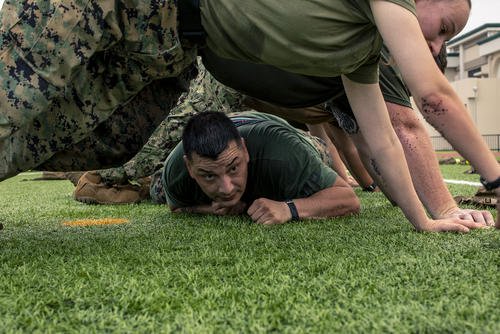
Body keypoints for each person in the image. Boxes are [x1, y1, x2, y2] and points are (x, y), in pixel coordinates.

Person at [0, 0, 498, 232]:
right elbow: (432, 99)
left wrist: (429, 221)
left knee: (103, 140)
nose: (435, 47)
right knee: (12, 94)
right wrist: (494, 180)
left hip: (170, 48)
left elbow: (387, 141)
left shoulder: (359, 53)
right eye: (443, 28)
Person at [153, 111, 360, 224]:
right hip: (237, 124)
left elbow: (347, 199)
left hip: (295, 139)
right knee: (157, 192)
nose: (226, 188)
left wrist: (289, 209)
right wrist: (210, 209)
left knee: (317, 155)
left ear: (244, 150)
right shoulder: (174, 172)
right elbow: (177, 207)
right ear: (189, 166)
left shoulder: (283, 153)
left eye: (233, 168)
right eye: (208, 176)